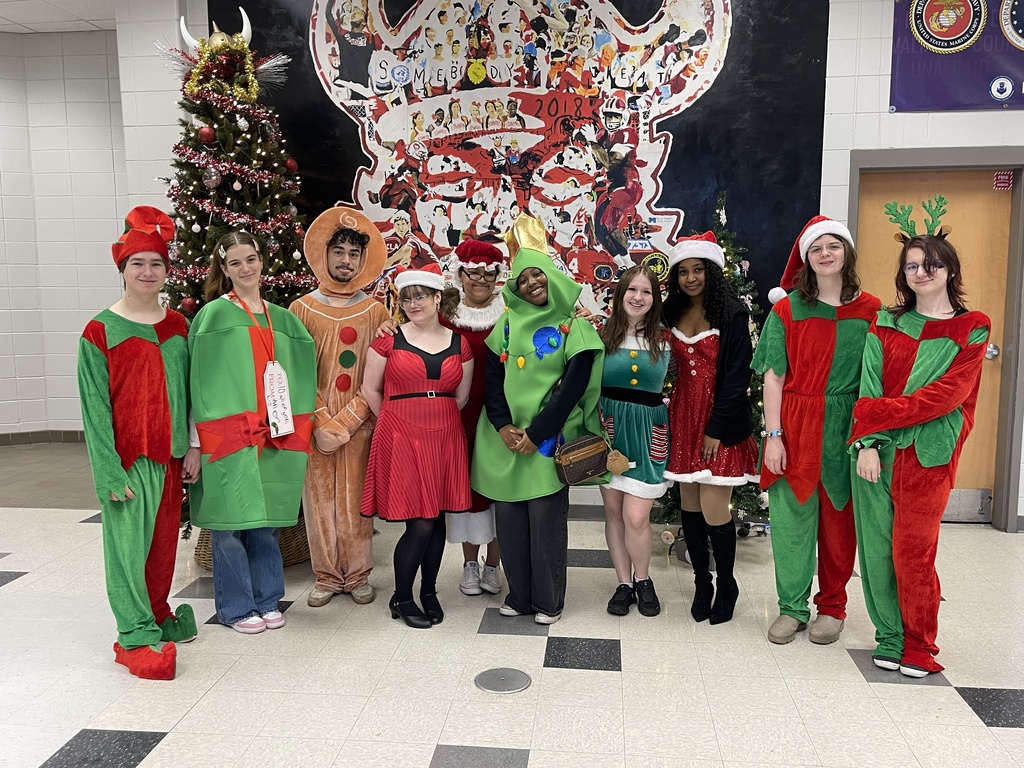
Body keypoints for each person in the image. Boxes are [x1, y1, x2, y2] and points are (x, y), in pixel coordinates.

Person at [851, 232, 988, 677]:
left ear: (949, 269)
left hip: (929, 457)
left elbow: (947, 397)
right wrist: (867, 441)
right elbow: (867, 383)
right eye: (912, 265)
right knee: (876, 550)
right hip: (876, 454)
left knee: (913, 552)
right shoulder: (886, 323)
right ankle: (889, 636)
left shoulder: (973, 327)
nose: (922, 272)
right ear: (903, 275)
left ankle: (919, 643)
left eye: (931, 263)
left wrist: (875, 416)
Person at [79, 206, 200, 680]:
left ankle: (156, 611)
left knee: (162, 545)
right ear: (123, 270)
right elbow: (94, 410)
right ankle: (133, 635)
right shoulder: (99, 332)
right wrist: (108, 471)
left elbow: (191, 395)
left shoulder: (179, 328)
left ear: (167, 271)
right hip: (127, 463)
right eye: (137, 264)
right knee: (127, 550)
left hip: (169, 459)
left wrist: (192, 447)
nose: (147, 272)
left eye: (155, 263)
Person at [471, 214, 606, 625]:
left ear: (550, 274)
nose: (533, 283)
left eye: (538, 275)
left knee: (545, 524)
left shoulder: (572, 325)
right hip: (507, 441)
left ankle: (549, 600)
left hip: (547, 442)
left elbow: (572, 391)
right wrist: (502, 425)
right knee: (510, 522)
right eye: (524, 278)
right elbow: (492, 378)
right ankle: (520, 596)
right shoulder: (508, 324)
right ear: (515, 285)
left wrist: (537, 433)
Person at [754, 216, 881, 645]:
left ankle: (833, 607)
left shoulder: (872, 310)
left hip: (847, 428)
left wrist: (869, 438)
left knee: (840, 525)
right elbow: (772, 376)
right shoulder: (787, 308)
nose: (825, 254)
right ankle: (791, 607)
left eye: (833, 246)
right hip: (795, 422)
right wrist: (774, 436)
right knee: (791, 522)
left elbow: (880, 379)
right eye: (817, 248)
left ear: (847, 252)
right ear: (807, 258)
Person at [189, 232, 316, 633]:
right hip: (227, 437)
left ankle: (266, 598)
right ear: (224, 270)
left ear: (262, 261)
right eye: (236, 263)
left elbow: (303, 373)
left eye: (252, 259)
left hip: (273, 436)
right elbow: (197, 383)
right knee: (229, 523)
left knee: (265, 521)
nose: (246, 269)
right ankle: (236, 608)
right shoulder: (214, 316)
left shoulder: (283, 319)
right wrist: (194, 442)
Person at [361, 266, 474, 628]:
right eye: (405, 298)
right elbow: (370, 390)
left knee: (437, 516)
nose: (412, 303)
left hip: (444, 433)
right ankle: (402, 596)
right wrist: (395, 422)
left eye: (420, 295)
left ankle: (428, 591)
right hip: (401, 436)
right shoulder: (387, 339)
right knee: (421, 522)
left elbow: (461, 396)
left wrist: (433, 415)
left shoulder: (461, 343)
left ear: (438, 298)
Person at [290, 208, 390, 608]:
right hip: (315, 427)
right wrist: (320, 422)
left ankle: (358, 573)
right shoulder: (301, 310)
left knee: (355, 502)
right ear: (324, 254)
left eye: (353, 253)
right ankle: (327, 575)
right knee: (318, 503)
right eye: (339, 252)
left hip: (359, 425)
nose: (346, 260)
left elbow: (380, 375)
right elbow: (296, 374)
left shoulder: (376, 312)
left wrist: (348, 421)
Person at [663, 231, 758, 626]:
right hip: (682, 416)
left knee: (714, 507)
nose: (690, 278)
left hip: (719, 420)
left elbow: (738, 377)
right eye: (683, 271)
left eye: (697, 269)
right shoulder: (670, 313)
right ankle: (703, 582)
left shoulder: (732, 313)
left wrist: (715, 428)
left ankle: (728, 583)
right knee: (689, 505)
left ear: (712, 271)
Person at [599, 265, 670, 617]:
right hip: (609, 432)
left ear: (654, 298)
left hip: (647, 432)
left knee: (636, 516)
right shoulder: (601, 335)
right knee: (613, 512)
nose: (638, 297)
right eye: (632, 290)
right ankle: (623, 583)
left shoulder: (664, 339)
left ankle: (644, 579)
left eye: (646, 291)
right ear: (620, 294)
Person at [440, 240, 508, 597]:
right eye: (473, 272)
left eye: (488, 273)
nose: (480, 280)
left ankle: (494, 566)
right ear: (460, 274)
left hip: (502, 414)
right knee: (466, 485)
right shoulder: (444, 313)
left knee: (498, 486)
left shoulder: (513, 309)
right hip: (459, 414)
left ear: (498, 276)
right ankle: (469, 563)